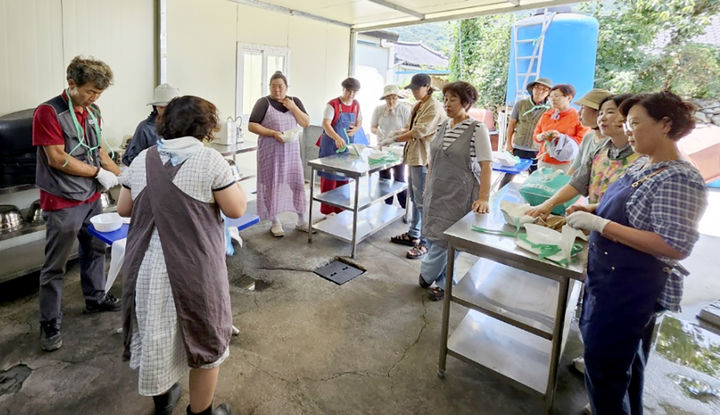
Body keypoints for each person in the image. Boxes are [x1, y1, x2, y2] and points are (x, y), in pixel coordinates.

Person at [566, 91, 707, 415]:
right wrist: (592, 207)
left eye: (635, 123)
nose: (627, 130)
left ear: (665, 125)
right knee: (626, 364)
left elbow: (674, 245)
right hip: (610, 281)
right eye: (626, 124)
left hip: (632, 289)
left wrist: (601, 224)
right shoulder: (646, 164)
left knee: (605, 370)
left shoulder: (680, 177)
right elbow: (628, 209)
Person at [118, 95, 247, 415]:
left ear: (165, 123)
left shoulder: (142, 159)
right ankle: (201, 412)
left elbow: (123, 209)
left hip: (148, 268)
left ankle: (163, 402)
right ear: (205, 128)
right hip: (193, 271)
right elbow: (237, 208)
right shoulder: (212, 161)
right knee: (205, 340)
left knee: (157, 336)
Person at [32, 56, 121, 352]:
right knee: (55, 265)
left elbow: (101, 153)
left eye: (99, 93)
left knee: (95, 248)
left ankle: (95, 298)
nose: (94, 98)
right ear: (71, 84)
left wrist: (128, 177)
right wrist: (98, 173)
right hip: (63, 200)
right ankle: (50, 323)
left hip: (92, 197)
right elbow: (56, 158)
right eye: (90, 92)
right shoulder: (48, 113)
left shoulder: (93, 111)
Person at [418, 81, 492, 301]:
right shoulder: (443, 126)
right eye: (446, 99)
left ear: (466, 103)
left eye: (453, 99)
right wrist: (426, 187)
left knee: (447, 240)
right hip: (436, 191)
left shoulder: (477, 129)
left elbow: (487, 165)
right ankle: (443, 282)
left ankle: (427, 272)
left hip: (459, 195)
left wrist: (483, 198)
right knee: (432, 234)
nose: (447, 104)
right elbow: (433, 161)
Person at [527, 93, 639, 218]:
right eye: (601, 113)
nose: (602, 118)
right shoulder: (599, 151)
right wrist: (549, 203)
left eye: (610, 112)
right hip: (595, 221)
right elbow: (577, 183)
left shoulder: (641, 158)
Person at [389, 74, 445, 259]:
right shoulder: (419, 104)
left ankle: (426, 241)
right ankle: (413, 233)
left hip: (424, 158)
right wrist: (394, 133)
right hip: (413, 156)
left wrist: (396, 138)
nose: (413, 92)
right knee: (414, 197)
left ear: (427, 86)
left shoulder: (434, 106)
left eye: (416, 88)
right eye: (411, 89)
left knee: (423, 200)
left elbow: (420, 131)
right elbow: (410, 127)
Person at [248, 71, 310, 237]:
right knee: (271, 185)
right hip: (270, 152)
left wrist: (293, 107)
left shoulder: (294, 101)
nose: (277, 90)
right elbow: (252, 125)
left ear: (286, 87)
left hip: (291, 152)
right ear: (269, 87)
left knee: (296, 183)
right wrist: (273, 133)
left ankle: (302, 219)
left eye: (280, 86)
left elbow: (305, 122)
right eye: (273, 86)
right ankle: (274, 221)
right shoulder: (263, 102)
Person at [317, 77, 368, 215]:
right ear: (343, 89)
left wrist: (356, 129)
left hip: (347, 147)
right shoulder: (333, 104)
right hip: (330, 145)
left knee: (344, 178)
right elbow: (326, 124)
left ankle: (341, 210)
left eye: (354, 92)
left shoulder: (356, 105)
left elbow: (360, 121)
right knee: (330, 178)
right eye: (348, 91)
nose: (351, 94)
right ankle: (327, 212)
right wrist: (337, 137)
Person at [498, 77, 551, 188]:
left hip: (537, 149)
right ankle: (497, 197)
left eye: (544, 89)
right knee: (509, 174)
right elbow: (511, 124)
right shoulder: (520, 104)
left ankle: (530, 203)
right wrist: (509, 144)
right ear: (532, 89)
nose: (540, 91)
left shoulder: (550, 109)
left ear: (548, 93)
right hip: (519, 146)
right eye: (537, 87)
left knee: (534, 178)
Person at [371, 84, 412, 208]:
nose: (391, 101)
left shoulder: (404, 109)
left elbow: (410, 129)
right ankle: (386, 205)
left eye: (394, 98)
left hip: (399, 147)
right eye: (388, 98)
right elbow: (373, 127)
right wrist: (378, 132)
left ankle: (403, 207)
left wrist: (399, 132)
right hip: (383, 146)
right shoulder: (378, 110)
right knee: (384, 176)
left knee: (399, 177)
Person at [533, 84, 589, 172]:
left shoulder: (577, 116)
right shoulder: (546, 115)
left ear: (569, 98)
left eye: (556, 96)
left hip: (565, 163)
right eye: (550, 96)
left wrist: (561, 137)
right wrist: (541, 136)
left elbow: (582, 140)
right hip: (544, 160)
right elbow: (536, 135)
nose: (553, 99)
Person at [122, 83, 181, 166]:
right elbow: (130, 159)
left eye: (169, 107)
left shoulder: (184, 127)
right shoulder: (145, 128)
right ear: (155, 107)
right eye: (161, 107)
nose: (166, 111)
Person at [568, 88, 612, 175]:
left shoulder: (612, 142)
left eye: (583, 108)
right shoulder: (588, 137)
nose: (579, 112)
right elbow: (575, 167)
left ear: (598, 112)